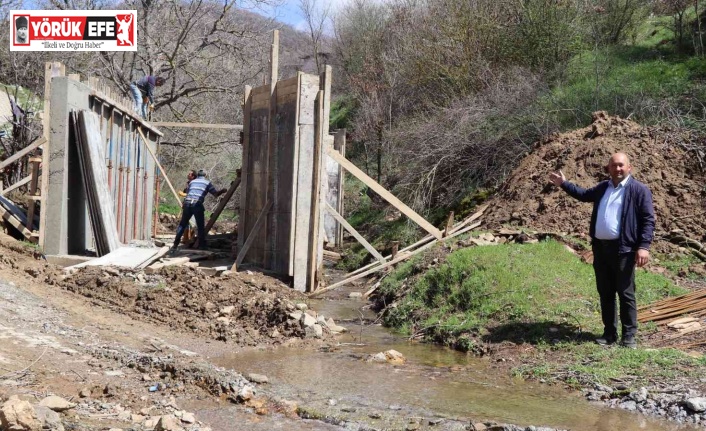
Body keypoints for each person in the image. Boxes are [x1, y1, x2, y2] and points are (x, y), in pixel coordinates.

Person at [549, 152, 654, 349]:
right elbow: (583, 195)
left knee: (625, 293)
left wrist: (643, 247)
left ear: (629, 167)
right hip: (601, 249)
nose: (618, 169)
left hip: (624, 250)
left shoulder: (639, 190)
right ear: (609, 168)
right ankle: (609, 333)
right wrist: (564, 184)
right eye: (614, 165)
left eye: (622, 165)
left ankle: (629, 336)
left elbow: (648, 220)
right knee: (605, 292)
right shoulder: (603, 187)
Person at [170, 170, 226, 255]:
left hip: (187, 203)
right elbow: (215, 194)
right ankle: (202, 246)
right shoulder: (207, 183)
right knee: (200, 226)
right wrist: (223, 191)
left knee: (182, 224)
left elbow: (188, 193)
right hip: (197, 204)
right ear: (205, 175)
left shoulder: (192, 182)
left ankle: (175, 245)